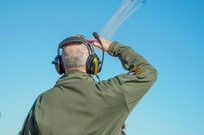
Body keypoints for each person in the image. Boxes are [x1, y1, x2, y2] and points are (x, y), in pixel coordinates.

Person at [20, 33, 158, 135]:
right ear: (93, 63)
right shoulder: (112, 92)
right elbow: (148, 72)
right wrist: (114, 47)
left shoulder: (42, 101)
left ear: (60, 64)